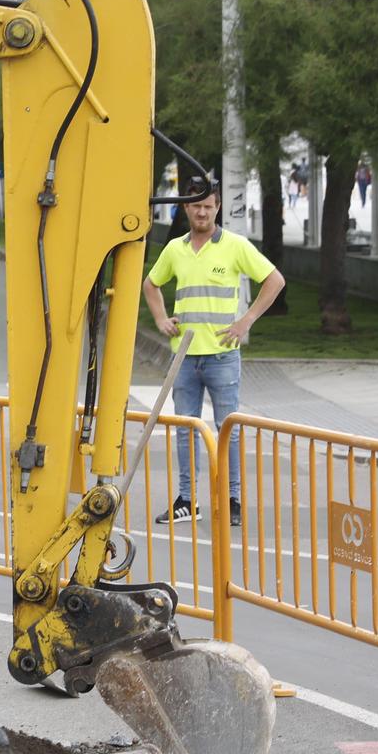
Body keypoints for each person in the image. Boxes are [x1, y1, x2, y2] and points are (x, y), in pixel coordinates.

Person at [140, 175, 285, 525]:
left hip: (222, 354)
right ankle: (187, 500)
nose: (202, 212)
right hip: (185, 357)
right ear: (186, 208)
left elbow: (275, 281)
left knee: (227, 429)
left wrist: (245, 321)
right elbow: (150, 284)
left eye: (208, 206)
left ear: (217, 207)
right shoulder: (176, 249)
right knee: (186, 428)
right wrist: (160, 320)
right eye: (196, 206)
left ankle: (231, 499)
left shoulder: (235, 245)